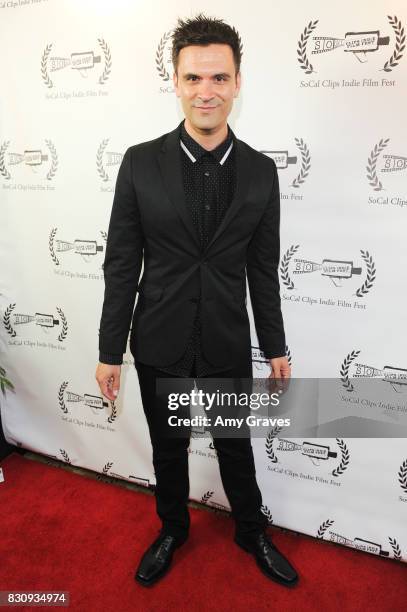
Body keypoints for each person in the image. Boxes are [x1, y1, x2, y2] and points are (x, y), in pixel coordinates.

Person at [95, 13, 298, 588]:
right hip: (158, 337)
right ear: (176, 82)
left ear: (237, 83)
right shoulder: (140, 162)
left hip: (227, 340)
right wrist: (110, 351)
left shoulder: (261, 172)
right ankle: (172, 529)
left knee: (236, 447)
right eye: (193, 78)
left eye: (218, 78)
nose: (205, 92)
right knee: (168, 449)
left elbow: (263, 269)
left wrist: (276, 345)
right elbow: (121, 264)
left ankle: (252, 531)